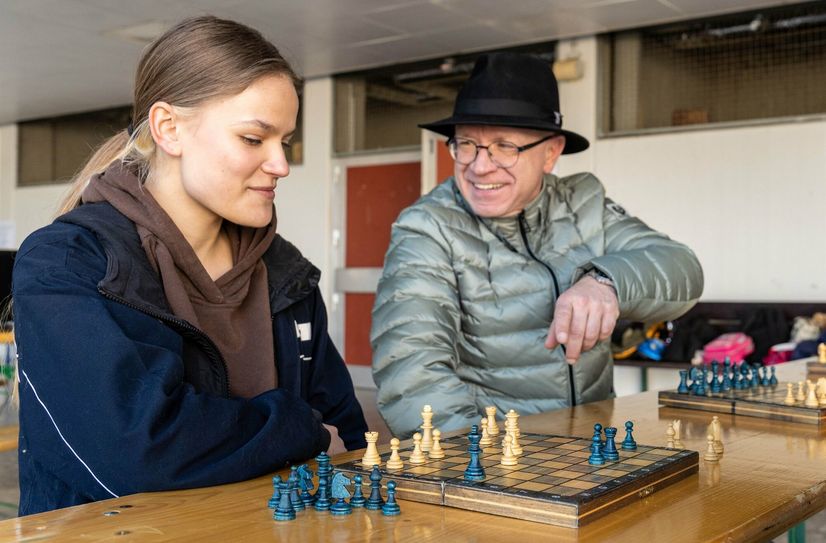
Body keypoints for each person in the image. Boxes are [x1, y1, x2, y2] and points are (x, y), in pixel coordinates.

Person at [11, 16, 367, 516]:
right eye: (253, 138)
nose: (282, 164)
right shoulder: (70, 262)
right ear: (169, 128)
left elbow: (347, 437)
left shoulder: (286, 273)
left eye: (284, 140)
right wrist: (294, 427)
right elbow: (138, 452)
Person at [370, 52, 703, 437]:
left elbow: (682, 268)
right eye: (466, 144)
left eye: (504, 146)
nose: (479, 166)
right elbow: (412, 368)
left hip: (594, 448)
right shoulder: (428, 227)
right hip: (499, 460)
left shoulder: (584, 204)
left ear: (551, 152)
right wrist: (478, 465)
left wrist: (607, 283)